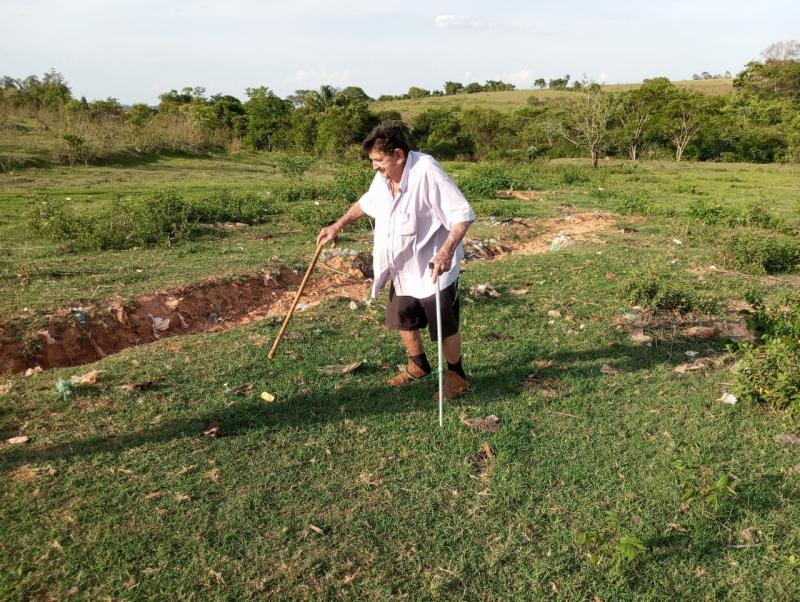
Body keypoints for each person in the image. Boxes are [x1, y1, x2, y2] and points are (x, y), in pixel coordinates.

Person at [317, 124, 475, 400]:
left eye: (379, 161)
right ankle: (419, 366)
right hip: (401, 267)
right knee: (403, 318)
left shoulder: (427, 170)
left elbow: (462, 214)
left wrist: (447, 251)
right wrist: (337, 225)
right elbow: (367, 203)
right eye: (373, 161)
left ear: (399, 155)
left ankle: (456, 376)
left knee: (443, 326)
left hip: (433, 266)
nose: (375, 167)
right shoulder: (383, 177)